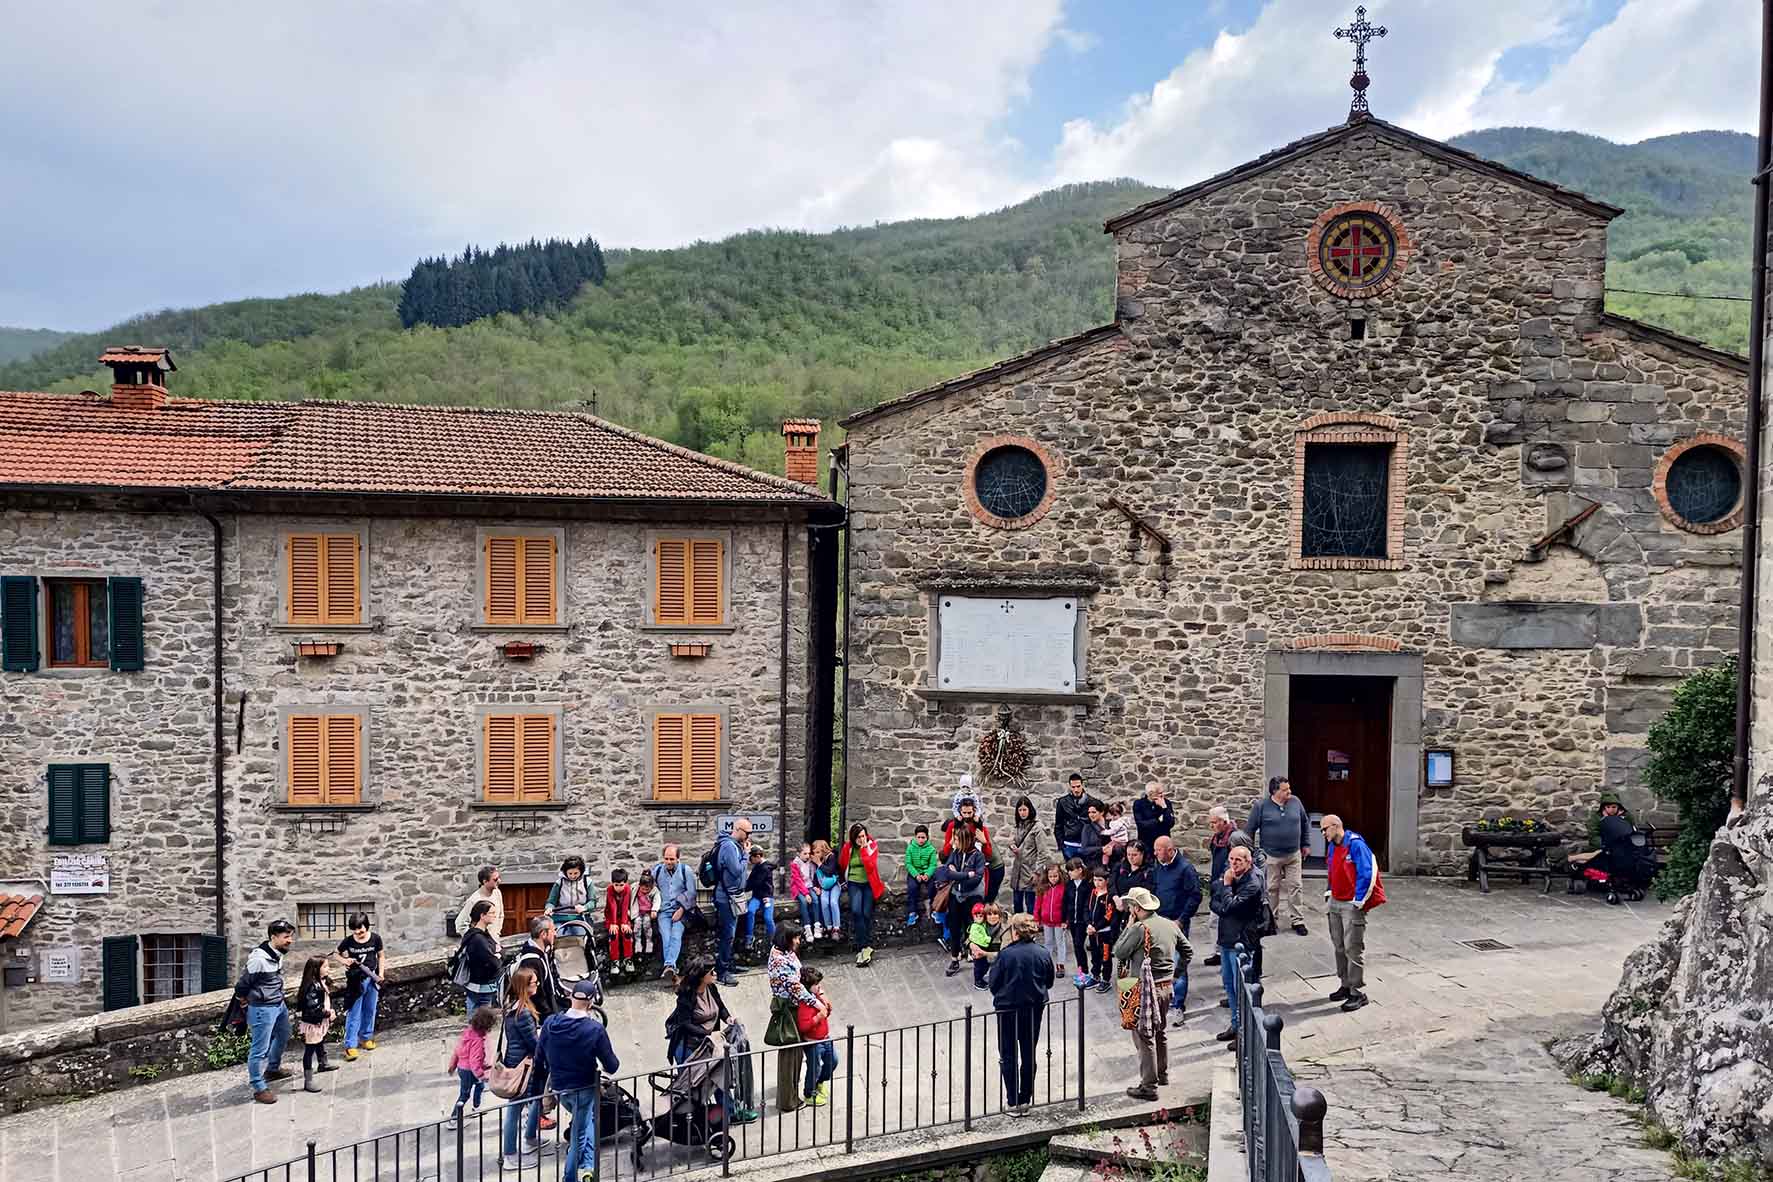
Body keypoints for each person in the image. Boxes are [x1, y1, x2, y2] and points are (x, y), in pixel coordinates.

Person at [535, 978, 620, 1182]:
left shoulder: (550, 1024)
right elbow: (612, 1065)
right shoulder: (594, 1029)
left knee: (586, 1121)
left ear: (570, 997)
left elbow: (539, 1058)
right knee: (578, 1135)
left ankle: (589, 1165)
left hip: (559, 1087)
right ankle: (570, 1177)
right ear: (591, 1003)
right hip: (583, 1088)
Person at [1113, 887, 1185, 1100]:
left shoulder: (1139, 928)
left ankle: (1149, 1086)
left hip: (1144, 988)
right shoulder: (1169, 924)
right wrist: (1175, 974)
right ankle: (1162, 1075)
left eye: (1131, 907)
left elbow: (1119, 951)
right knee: (1160, 1031)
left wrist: (1128, 926)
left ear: (1136, 908)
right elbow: (1187, 950)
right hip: (1166, 987)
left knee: (1144, 1036)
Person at [988, 913, 1055, 1116]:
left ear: (1015, 932)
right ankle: (1025, 1099)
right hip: (1034, 1008)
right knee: (1028, 1053)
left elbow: (993, 984)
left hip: (1008, 1009)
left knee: (1008, 1054)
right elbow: (1049, 981)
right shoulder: (1042, 953)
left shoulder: (1006, 955)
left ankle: (1013, 1102)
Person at [1321, 814, 1383, 1013]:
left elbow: (1368, 872)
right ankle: (1345, 984)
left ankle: (1357, 992)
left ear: (1336, 826)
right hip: (1336, 901)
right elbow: (1332, 870)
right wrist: (1329, 891)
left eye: (1325, 829)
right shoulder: (1333, 845)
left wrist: (1359, 900)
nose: (1323, 833)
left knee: (1352, 948)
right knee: (1339, 946)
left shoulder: (1356, 845)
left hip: (1351, 904)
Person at [1210, 844, 1267, 1048]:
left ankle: (1244, 1032)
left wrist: (1226, 886)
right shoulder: (1231, 876)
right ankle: (1235, 1025)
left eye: (1238, 860)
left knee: (1241, 988)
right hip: (1226, 938)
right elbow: (1214, 902)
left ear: (1248, 861)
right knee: (1228, 985)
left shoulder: (1252, 882)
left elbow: (1229, 905)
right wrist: (1225, 900)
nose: (1233, 864)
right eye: (1231, 859)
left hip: (1242, 941)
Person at [236, 917, 296, 1104]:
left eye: (290, 936)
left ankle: (273, 1069)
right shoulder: (258, 960)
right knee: (259, 1049)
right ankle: (259, 1087)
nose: (290, 940)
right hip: (262, 1009)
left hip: (278, 1005)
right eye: (286, 937)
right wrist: (246, 1002)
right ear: (273, 937)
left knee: (285, 1034)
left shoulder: (278, 953)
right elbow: (242, 986)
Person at [766, 923, 821, 1114]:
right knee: (791, 1054)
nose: (798, 941)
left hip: (793, 1006)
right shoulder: (780, 960)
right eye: (795, 938)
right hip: (788, 1010)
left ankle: (789, 1089)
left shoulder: (785, 952)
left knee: (796, 1053)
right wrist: (816, 1002)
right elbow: (795, 988)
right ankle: (787, 1100)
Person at [1148, 837, 1202, 1027]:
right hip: (1159, 920)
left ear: (1170, 850)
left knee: (1178, 962)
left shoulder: (1186, 869)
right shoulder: (1159, 866)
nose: (1154, 853)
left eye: (1158, 850)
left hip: (1176, 922)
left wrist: (1181, 919)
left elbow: (1195, 896)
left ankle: (1178, 1004)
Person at [1247, 776, 1310, 936]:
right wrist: (1251, 852)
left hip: (1293, 854)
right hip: (1271, 855)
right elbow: (1250, 829)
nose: (1289, 791)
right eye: (1285, 789)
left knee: (1295, 886)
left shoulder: (1295, 802)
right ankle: (1271, 921)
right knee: (1271, 888)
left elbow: (1305, 823)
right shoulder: (1261, 806)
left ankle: (1297, 920)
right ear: (1275, 791)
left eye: (1289, 788)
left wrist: (1306, 844)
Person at [499, 967, 546, 1171]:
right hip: (523, 1065)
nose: (537, 985)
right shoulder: (524, 1013)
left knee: (535, 1097)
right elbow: (533, 1043)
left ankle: (530, 1138)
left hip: (520, 1061)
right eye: (533, 983)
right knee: (515, 1108)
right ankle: (509, 1154)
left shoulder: (513, 1006)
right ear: (524, 986)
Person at [937, 823, 987, 977]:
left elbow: (977, 879)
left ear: (965, 840)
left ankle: (976, 957)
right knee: (954, 926)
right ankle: (955, 958)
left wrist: (957, 874)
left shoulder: (978, 856)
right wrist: (965, 875)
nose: (954, 842)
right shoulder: (956, 853)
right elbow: (947, 871)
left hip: (972, 897)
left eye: (957, 840)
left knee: (973, 928)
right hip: (955, 895)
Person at [333, 912, 384, 1062]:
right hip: (356, 981)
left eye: (360, 929)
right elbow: (336, 953)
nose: (357, 933)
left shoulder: (375, 938)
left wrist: (381, 974)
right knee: (354, 1013)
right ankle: (350, 1045)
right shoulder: (348, 941)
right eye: (354, 929)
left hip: (372, 978)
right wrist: (344, 961)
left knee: (370, 1009)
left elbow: (381, 956)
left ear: (366, 926)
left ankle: (366, 1037)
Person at [942, 783, 1004, 903]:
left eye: (969, 813)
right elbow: (945, 852)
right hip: (958, 872)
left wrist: (984, 842)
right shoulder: (952, 826)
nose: (966, 816)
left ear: (974, 811)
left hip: (977, 871)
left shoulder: (980, 828)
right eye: (964, 813)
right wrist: (951, 842)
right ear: (959, 812)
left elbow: (989, 855)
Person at [665, 960, 731, 1063]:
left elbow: (720, 1007)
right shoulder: (686, 996)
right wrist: (709, 1034)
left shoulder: (711, 988)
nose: (715, 974)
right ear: (701, 977)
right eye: (711, 972)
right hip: (689, 1047)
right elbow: (685, 1024)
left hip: (707, 1043)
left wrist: (728, 1018)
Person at [839, 823, 886, 966]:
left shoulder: (872, 846)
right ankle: (865, 947)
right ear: (853, 837)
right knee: (856, 911)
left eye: (863, 836)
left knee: (866, 914)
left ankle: (863, 948)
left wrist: (864, 850)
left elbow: (870, 866)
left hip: (869, 883)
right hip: (854, 882)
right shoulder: (848, 847)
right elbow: (842, 864)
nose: (861, 839)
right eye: (859, 837)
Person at [445, 1004, 498, 1129]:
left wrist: (452, 1065)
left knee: (479, 1086)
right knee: (465, 1094)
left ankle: (477, 1106)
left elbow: (457, 1050)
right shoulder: (478, 1040)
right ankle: (453, 1119)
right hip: (470, 1071)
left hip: (463, 1068)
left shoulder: (468, 1032)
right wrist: (481, 1075)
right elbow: (474, 1061)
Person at [650, 844, 698, 984]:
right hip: (663, 911)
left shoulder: (686, 871)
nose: (669, 862)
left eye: (672, 859)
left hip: (681, 910)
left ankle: (669, 967)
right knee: (666, 936)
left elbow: (691, 893)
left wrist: (681, 910)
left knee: (676, 935)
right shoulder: (657, 871)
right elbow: (648, 887)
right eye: (666, 858)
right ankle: (670, 968)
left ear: (678, 858)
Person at [713, 818, 752, 986]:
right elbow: (736, 871)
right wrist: (746, 854)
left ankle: (729, 965)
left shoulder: (733, 845)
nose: (749, 836)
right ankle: (722, 972)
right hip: (726, 898)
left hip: (734, 896)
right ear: (738, 829)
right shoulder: (729, 846)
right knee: (727, 935)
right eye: (747, 833)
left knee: (732, 933)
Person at [295, 955, 338, 1092]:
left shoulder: (320, 982)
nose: (328, 969)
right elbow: (313, 1008)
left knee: (320, 1041)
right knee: (310, 1050)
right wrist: (328, 1013)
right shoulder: (312, 987)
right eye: (325, 966)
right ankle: (308, 1081)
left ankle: (323, 1063)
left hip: (319, 1021)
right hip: (313, 1023)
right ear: (315, 969)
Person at [797, 965, 837, 1106]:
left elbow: (825, 1013)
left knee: (833, 1061)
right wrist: (819, 1017)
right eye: (816, 984)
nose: (819, 987)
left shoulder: (817, 996)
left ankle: (819, 1082)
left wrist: (827, 1010)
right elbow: (804, 1026)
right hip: (813, 1042)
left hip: (825, 1038)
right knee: (814, 1068)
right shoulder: (805, 1003)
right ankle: (809, 1093)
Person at [512, 916, 567, 1018]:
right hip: (541, 1017)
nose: (555, 934)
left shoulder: (541, 951)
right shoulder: (532, 962)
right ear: (543, 934)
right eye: (553, 930)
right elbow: (536, 996)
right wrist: (550, 1016)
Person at [1006, 796, 1050, 915]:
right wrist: (1012, 845)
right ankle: (1018, 931)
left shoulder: (1038, 828)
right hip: (1017, 871)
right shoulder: (1018, 826)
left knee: (1031, 905)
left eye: (1024, 809)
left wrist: (1037, 872)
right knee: (1017, 903)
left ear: (1030, 810)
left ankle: (1031, 930)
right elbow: (1013, 841)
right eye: (1020, 810)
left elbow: (1044, 853)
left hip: (1030, 871)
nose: (1022, 813)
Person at [460, 900, 503, 1013]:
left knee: (477, 1021)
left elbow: (498, 950)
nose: (495, 916)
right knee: (480, 1022)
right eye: (492, 913)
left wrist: (497, 954)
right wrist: (497, 955)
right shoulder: (478, 938)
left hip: (479, 985)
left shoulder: (482, 934)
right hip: (481, 987)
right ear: (482, 915)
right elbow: (493, 962)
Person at [1053, 773, 1102, 860]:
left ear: (1082, 785)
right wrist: (1061, 845)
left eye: (1078, 786)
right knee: (1072, 871)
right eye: (1073, 787)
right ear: (1070, 787)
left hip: (1088, 844)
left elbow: (1100, 821)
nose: (1076, 789)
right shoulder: (1063, 802)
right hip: (1069, 844)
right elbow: (1058, 825)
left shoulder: (1092, 801)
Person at [1061, 857, 1094, 986]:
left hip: (1083, 921)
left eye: (1071, 870)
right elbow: (1065, 903)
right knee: (1076, 946)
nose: (1069, 873)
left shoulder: (1088, 885)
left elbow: (1088, 905)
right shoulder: (1069, 885)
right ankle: (1081, 972)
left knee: (1079, 945)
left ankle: (1085, 972)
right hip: (1072, 921)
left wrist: (1088, 921)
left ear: (1080, 870)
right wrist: (1064, 919)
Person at [1084, 869, 1115, 993]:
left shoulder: (1109, 896)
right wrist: (1089, 924)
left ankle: (1106, 980)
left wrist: (1096, 927)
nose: (1097, 883)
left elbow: (1108, 916)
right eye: (1095, 880)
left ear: (1106, 881)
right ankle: (1095, 975)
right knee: (1095, 954)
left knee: (1105, 957)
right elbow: (1086, 908)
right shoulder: (1093, 893)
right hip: (1092, 932)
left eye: (1100, 880)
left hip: (1105, 933)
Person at [1034, 863, 1068, 974]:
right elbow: (1038, 904)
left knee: (1060, 942)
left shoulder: (1063, 888)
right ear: (1047, 876)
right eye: (1050, 876)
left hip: (1059, 922)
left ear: (1059, 875)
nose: (1053, 879)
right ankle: (1047, 964)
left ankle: (1060, 965)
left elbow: (1067, 906)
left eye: (1055, 876)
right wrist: (1036, 918)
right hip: (1046, 921)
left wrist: (1066, 921)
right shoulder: (1043, 888)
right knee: (1048, 943)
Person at [744, 847, 778, 953]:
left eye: (752, 858)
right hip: (756, 897)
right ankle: (749, 937)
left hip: (767, 897)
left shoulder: (765, 868)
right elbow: (750, 881)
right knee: (750, 911)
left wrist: (744, 888)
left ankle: (775, 941)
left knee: (768, 917)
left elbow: (756, 883)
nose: (750, 860)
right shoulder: (757, 866)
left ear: (758, 857)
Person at [456, 865, 505, 939]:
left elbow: (501, 915)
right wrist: (475, 939)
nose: (499, 881)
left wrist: (497, 932)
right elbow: (460, 924)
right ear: (485, 881)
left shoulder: (497, 893)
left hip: (494, 941)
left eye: (499, 878)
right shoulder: (474, 900)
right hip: (481, 944)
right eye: (495, 879)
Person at [904, 823, 938, 927]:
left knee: (933, 887)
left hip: (927, 873)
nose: (921, 840)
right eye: (918, 837)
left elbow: (933, 865)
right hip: (914, 873)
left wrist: (927, 874)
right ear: (915, 837)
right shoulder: (910, 848)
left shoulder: (931, 849)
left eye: (923, 837)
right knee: (912, 888)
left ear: (927, 837)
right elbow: (908, 864)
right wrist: (916, 875)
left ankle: (936, 911)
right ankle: (912, 913)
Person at [605, 867, 637, 977]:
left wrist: (624, 922)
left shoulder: (627, 889)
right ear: (612, 883)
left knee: (627, 933)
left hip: (624, 917)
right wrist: (613, 923)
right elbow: (612, 905)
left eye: (621, 885)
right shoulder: (609, 889)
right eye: (616, 885)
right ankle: (615, 961)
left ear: (625, 883)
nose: (619, 888)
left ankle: (628, 959)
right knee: (614, 934)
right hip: (611, 917)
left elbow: (625, 905)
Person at [968, 901, 1008, 989]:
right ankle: (978, 980)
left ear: (999, 915)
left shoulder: (1004, 929)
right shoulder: (980, 926)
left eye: (995, 914)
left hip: (997, 955)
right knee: (980, 966)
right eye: (989, 914)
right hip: (983, 955)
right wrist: (971, 945)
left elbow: (1005, 952)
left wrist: (984, 953)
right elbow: (968, 938)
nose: (992, 917)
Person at [547, 856, 592, 928]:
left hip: (580, 917)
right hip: (560, 917)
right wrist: (549, 908)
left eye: (576, 873)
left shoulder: (587, 882)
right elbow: (551, 902)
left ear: (581, 871)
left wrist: (585, 907)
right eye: (570, 873)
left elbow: (593, 901)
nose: (573, 876)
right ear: (565, 872)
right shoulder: (559, 883)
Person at [812, 838, 844, 942]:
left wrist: (819, 864)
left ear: (824, 850)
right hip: (824, 886)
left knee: (833, 902)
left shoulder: (831, 857)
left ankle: (836, 928)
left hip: (834, 884)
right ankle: (828, 927)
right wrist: (816, 886)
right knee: (824, 902)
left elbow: (830, 871)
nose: (816, 854)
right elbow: (816, 875)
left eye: (818, 852)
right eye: (814, 852)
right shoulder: (816, 861)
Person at [1133, 782, 1175, 853]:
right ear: (1151, 794)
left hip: (1163, 842)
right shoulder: (1139, 804)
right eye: (1159, 793)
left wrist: (1164, 808)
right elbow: (1141, 824)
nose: (1162, 795)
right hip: (1147, 842)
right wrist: (1158, 820)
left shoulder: (1166, 803)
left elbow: (1171, 823)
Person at [789, 842, 818, 935]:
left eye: (809, 853)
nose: (807, 856)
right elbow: (797, 880)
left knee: (816, 900)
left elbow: (814, 877)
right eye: (805, 853)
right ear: (799, 853)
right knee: (804, 901)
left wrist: (816, 887)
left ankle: (817, 925)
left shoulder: (811, 863)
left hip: (809, 886)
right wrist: (806, 894)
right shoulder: (795, 864)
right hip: (798, 888)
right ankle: (807, 927)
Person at [1078, 802, 1111, 871]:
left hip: (1112, 863)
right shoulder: (1087, 828)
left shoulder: (1112, 824)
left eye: (1094, 812)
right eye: (1089, 812)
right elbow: (1084, 849)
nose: (1091, 815)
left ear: (1101, 812)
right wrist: (1101, 849)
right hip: (1094, 865)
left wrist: (1112, 850)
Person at [635, 870, 657, 967]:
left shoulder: (654, 892)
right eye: (642, 887)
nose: (644, 890)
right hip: (638, 912)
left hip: (648, 913)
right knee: (637, 926)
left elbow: (657, 900)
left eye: (647, 888)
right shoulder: (635, 889)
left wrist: (654, 910)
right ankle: (638, 945)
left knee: (647, 926)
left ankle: (649, 945)